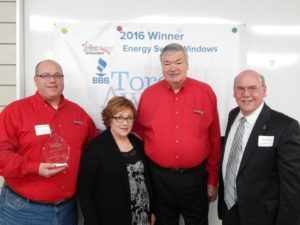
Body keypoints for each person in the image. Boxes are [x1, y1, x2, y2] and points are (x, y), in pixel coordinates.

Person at [0, 59, 99, 225]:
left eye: (57, 75)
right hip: (23, 210)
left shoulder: (79, 114)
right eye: (45, 75)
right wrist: (34, 168)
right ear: (35, 80)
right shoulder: (15, 111)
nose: (52, 80)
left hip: (67, 210)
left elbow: (96, 148)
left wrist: (128, 135)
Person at [133, 43, 221, 225]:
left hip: (195, 179)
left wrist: (212, 178)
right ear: (162, 67)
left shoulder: (206, 92)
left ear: (187, 64)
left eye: (178, 62)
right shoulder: (149, 95)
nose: (173, 68)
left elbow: (214, 138)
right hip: (159, 179)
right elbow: (138, 137)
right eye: (167, 63)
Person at [218, 69, 300, 225]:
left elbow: (292, 188)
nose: (246, 93)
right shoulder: (233, 115)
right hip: (229, 211)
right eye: (240, 88)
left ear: (264, 90)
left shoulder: (285, 127)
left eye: (252, 88)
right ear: (234, 92)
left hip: (263, 217)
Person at [78, 96, 155, 225]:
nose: (125, 123)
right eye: (119, 117)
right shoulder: (96, 148)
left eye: (129, 118)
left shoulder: (137, 142)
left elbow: (147, 179)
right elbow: (85, 190)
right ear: (109, 119)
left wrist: (152, 209)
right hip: (112, 218)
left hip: (142, 215)